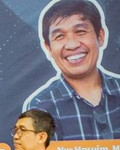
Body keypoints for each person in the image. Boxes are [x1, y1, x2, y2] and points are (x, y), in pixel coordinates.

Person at [23, 0, 120, 140]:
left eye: (80, 31)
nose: (72, 44)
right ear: (48, 47)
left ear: (100, 36)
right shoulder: (41, 105)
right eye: (59, 36)